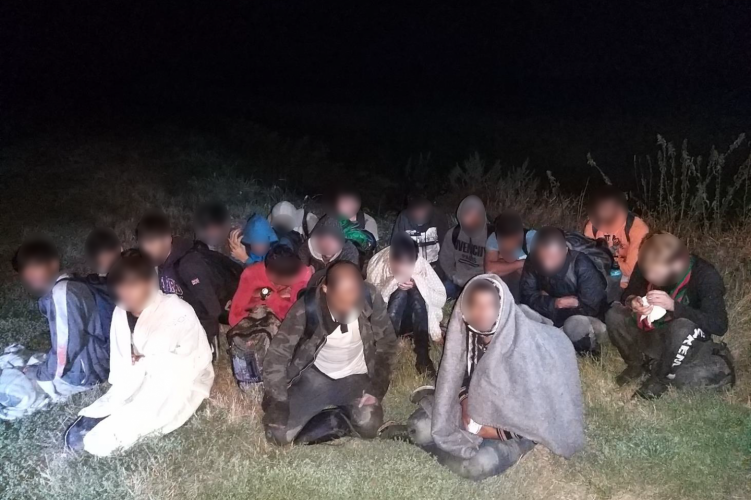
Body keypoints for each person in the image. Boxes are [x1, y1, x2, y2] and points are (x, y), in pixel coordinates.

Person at [389, 275, 584, 481]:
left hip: (516, 426)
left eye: (490, 305)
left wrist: (493, 432)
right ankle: (422, 439)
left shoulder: (524, 347)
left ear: (502, 307)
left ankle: (439, 450)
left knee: (476, 466)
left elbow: (538, 413)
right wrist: (465, 402)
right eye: (475, 305)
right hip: (475, 407)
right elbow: (458, 375)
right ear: (465, 310)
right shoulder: (468, 333)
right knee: (418, 428)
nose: (482, 313)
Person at [65, 249, 214, 456]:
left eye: (132, 284)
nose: (125, 292)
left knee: (147, 411)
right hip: (141, 374)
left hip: (180, 377)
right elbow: (123, 357)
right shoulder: (121, 311)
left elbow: (184, 362)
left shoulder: (177, 311)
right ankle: (106, 416)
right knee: (118, 397)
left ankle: (116, 428)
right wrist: (135, 358)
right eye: (120, 285)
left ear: (149, 282)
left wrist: (143, 359)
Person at [262, 261, 397, 445]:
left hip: (356, 377)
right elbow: (278, 354)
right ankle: (327, 415)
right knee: (278, 435)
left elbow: (387, 343)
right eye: (341, 302)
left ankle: (336, 418)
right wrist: (279, 400)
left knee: (370, 425)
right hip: (316, 377)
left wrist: (376, 389)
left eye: (354, 302)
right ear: (325, 289)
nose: (349, 308)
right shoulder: (308, 307)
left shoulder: (370, 296)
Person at [606, 232, 734, 398]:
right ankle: (637, 365)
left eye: (656, 274)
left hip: (686, 343)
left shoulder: (705, 275)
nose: (650, 277)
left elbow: (719, 324)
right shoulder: (647, 264)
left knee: (682, 326)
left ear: (677, 265)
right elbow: (628, 294)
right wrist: (633, 302)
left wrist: (674, 306)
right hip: (654, 333)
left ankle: (660, 378)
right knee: (614, 314)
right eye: (647, 272)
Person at [10, 239, 109, 401]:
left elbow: (66, 347)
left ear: (53, 264)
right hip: (101, 357)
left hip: (88, 373)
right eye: (26, 273)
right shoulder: (72, 281)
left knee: (17, 386)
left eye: (35, 268)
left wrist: (39, 373)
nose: (31, 277)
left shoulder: (62, 293)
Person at [136, 211, 242, 354]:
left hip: (220, 306)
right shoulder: (158, 259)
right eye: (144, 244)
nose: (147, 250)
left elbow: (211, 309)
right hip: (185, 311)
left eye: (151, 244)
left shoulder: (189, 266)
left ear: (167, 240)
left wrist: (207, 342)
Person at [227, 245, 313, 387]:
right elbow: (235, 317)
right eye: (291, 279)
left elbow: (293, 315)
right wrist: (269, 297)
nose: (297, 280)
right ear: (272, 276)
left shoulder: (303, 274)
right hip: (259, 323)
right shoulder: (252, 274)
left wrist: (268, 297)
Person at [367, 233, 447, 377]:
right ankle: (386, 353)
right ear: (391, 259)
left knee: (416, 290)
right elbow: (371, 302)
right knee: (400, 293)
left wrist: (418, 284)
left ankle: (423, 355)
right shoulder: (378, 265)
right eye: (400, 265)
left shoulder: (421, 265)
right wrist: (393, 284)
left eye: (409, 265)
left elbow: (440, 298)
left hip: (415, 319)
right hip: (388, 321)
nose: (405, 270)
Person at [519, 227, 607, 354]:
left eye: (553, 257)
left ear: (565, 251)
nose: (547, 264)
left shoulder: (582, 264)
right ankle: (553, 338)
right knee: (522, 310)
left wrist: (544, 300)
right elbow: (526, 296)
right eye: (543, 257)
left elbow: (592, 307)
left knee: (574, 324)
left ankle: (584, 349)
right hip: (551, 317)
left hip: (585, 321)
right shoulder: (533, 261)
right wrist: (556, 303)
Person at [583, 186, 649, 297]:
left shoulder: (637, 228)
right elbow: (586, 260)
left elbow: (631, 270)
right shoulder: (591, 227)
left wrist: (603, 260)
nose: (603, 210)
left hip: (627, 285)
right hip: (600, 279)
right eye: (600, 206)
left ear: (619, 207)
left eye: (607, 207)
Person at [439, 195, 490, 299]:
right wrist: (453, 276)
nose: (472, 219)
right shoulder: (453, 234)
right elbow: (445, 259)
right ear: (460, 215)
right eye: (468, 215)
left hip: (482, 282)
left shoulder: (491, 235)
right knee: (438, 293)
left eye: (477, 215)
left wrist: (482, 281)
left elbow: (497, 265)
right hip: (457, 281)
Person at [483, 212, 536, 302]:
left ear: (520, 235)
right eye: (504, 248)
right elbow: (490, 270)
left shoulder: (533, 240)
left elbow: (539, 273)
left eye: (512, 246)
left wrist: (501, 261)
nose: (508, 250)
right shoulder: (494, 238)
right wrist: (522, 263)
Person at [390, 193, 450, 269]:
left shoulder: (438, 216)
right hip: (411, 267)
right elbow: (396, 246)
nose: (420, 213)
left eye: (422, 210)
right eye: (416, 210)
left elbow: (446, 244)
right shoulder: (403, 218)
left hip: (435, 266)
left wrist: (441, 266)